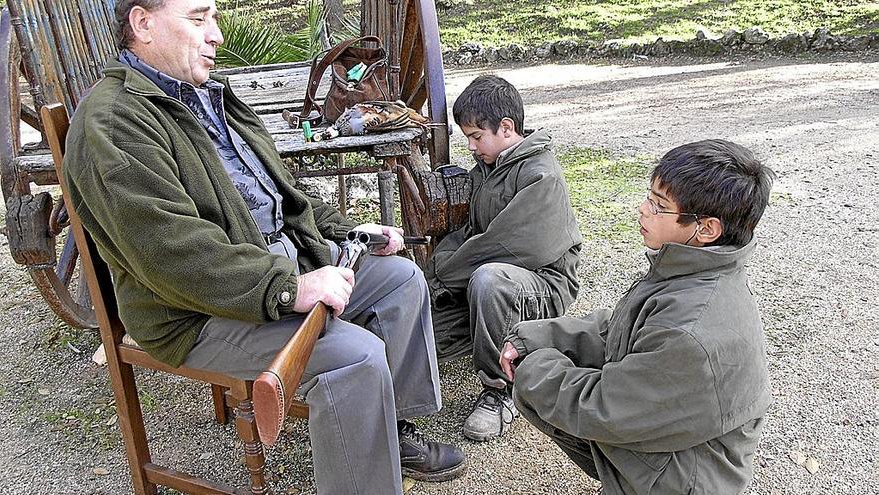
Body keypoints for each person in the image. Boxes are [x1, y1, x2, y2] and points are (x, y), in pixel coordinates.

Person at [62, 1, 465, 493]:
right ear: (143, 24)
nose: (216, 36)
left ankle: (387, 430)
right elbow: (170, 254)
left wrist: (345, 232)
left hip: (273, 265)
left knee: (400, 281)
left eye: (213, 19)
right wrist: (287, 289)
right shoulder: (113, 121)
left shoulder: (208, 95)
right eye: (198, 18)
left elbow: (282, 194)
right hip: (193, 310)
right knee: (354, 357)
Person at [500, 140, 775, 494]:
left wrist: (533, 368)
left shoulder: (690, 328)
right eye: (649, 197)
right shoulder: (694, 270)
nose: (643, 210)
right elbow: (619, 328)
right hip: (675, 449)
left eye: (659, 206)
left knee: (547, 395)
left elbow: (605, 408)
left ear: (706, 229)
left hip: (684, 483)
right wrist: (535, 339)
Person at [425, 75, 582, 441]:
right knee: (424, 334)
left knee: (488, 280)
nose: (471, 146)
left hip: (544, 284)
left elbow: (506, 246)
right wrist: (429, 275)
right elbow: (470, 234)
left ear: (507, 128)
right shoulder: (488, 170)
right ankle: (500, 339)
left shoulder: (541, 174)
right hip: (496, 281)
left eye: (477, 136)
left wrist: (442, 277)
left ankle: (500, 391)